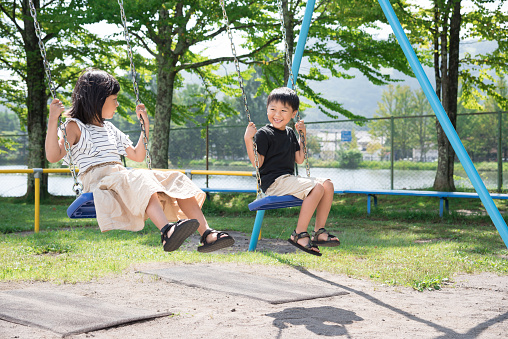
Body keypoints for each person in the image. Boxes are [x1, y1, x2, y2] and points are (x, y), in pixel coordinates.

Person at [45, 68, 234, 253]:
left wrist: (145, 127)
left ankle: (207, 234)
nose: (117, 104)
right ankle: (167, 231)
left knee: (175, 177)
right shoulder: (74, 126)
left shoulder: (109, 128)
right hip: (98, 182)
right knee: (141, 177)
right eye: (114, 100)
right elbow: (53, 156)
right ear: (97, 100)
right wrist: (53, 119)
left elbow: (137, 155)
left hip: (120, 177)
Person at [244, 87, 340, 256]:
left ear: (294, 113)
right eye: (273, 109)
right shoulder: (264, 134)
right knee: (316, 187)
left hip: (288, 180)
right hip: (274, 183)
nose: (277, 114)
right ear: (267, 109)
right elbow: (257, 163)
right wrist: (248, 139)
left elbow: (300, 159)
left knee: (328, 184)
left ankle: (319, 231)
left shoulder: (289, 133)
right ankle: (299, 234)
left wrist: (302, 135)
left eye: (283, 110)